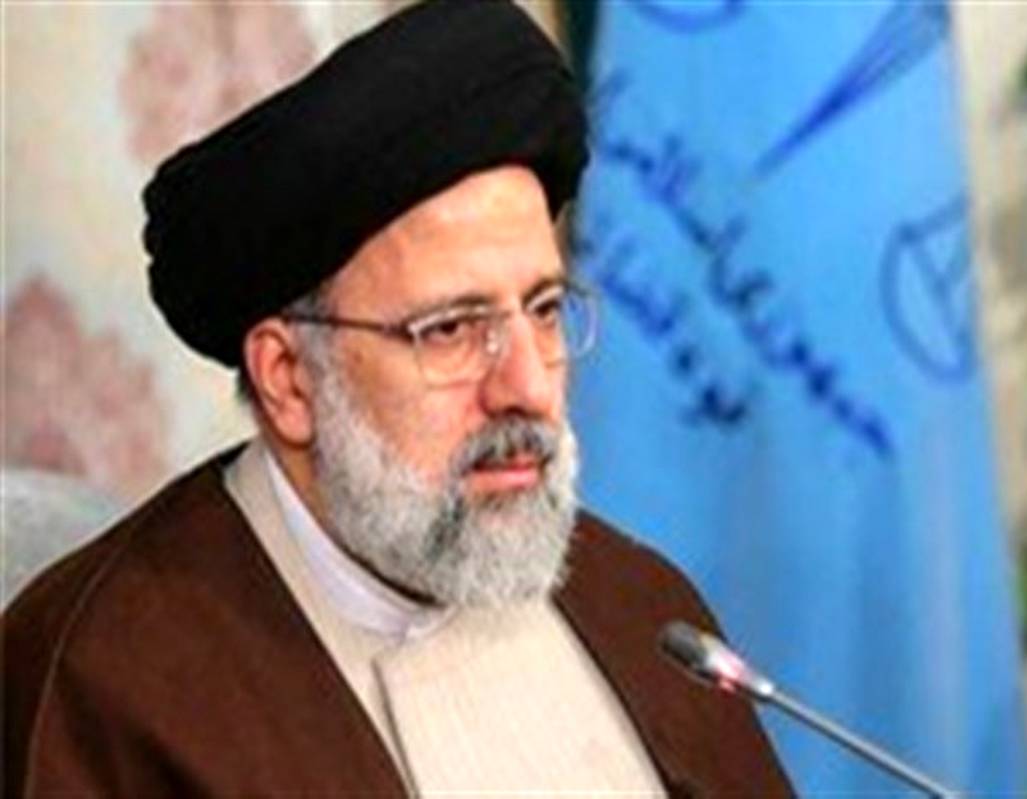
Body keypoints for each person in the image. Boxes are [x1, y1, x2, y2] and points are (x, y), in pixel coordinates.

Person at [3, 1, 794, 796]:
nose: (527, 386)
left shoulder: (645, 612)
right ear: (289, 378)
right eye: (450, 330)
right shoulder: (102, 689)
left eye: (545, 309)